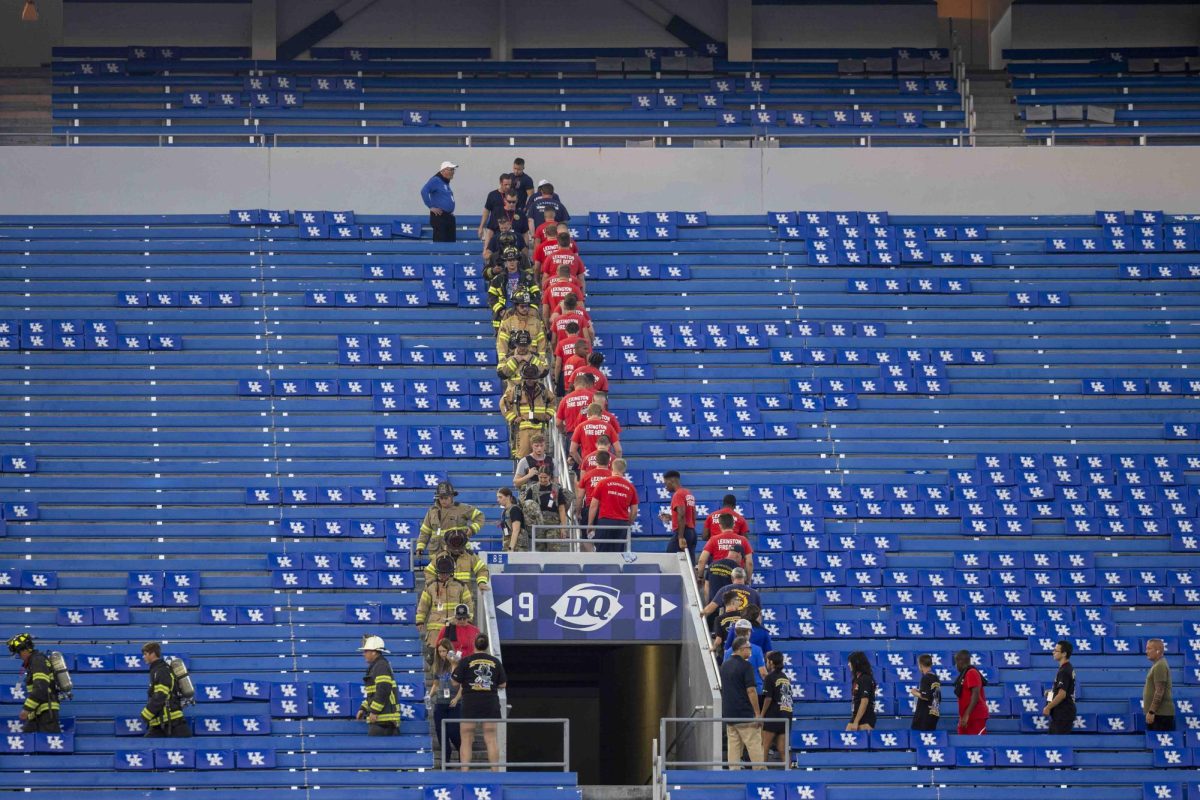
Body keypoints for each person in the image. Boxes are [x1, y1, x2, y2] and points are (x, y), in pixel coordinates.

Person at [452, 633, 508, 772]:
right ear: (487, 645)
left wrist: (453, 664)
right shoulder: (495, 662)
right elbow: (503, 684)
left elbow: (454, 682)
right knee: (490, 738)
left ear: (474, 644)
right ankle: (495, 773)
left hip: (470, 702)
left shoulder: (466, 661)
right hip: (490, 702)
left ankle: (465, 773)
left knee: (466, 739)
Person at [719, 636, 764, 770]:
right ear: (741, 649)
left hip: (729, 713)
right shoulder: (746, 666)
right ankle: (761, 773)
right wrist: (757, 713)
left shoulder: (724, 666)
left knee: (733, 745)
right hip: (745, 713)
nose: (750, 651)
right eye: (749, 648)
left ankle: (734, 775)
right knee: (754, 743)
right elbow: (751, 690)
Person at [416, 554, 475, 651]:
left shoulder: (460, 586)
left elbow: (468, 605)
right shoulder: (431, 586)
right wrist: (420, 621)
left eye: (446, 573)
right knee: (434, 658)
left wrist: (468, 621)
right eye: (441, 573)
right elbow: (423, 605)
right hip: (435, 630)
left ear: (451, 572)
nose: (443, 576)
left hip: (455, 628)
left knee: (454, 655)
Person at [7, 633, 61, 733]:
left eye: (19, 652)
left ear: (25, 649)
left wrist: (26, 709)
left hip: (46, 712)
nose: (19, 656)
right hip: (38, 712)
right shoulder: (33, 662)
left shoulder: (37, 660)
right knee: (26, 742)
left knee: (48, 745)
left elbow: (41, 687)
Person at [500, 363, 555, 460]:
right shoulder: (516, 390)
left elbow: (553, 402)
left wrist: (548, 414)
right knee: (523, 458)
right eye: (527, 378)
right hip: (523, 429)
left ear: (536, 377)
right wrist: (513, 418)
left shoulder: (543, 390)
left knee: (540, 458)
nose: (529, 380)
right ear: (523, 377)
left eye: (532, 378)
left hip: (539, 429)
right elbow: (503, 404)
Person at [416, 482, 485, 558]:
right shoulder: (432, 512)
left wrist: (472, 529)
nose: (443, 501)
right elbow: (425, 532)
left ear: (452, 497)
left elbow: (480, 516)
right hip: (436, 553)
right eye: (441, 498)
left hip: (458, 551)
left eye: (446, 498)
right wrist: (420, 547)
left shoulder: (462, 508)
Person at [587, 457, 638, 553]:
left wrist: (590, 524)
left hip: (605, 522)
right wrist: (628, 523)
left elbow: (593, 506)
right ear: (624, 470)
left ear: (611, 468)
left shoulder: (602, 483)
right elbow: (634, 511)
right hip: (622, 523)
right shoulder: (631, 487)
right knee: (618, 554)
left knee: (602, 553)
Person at [140, 642, 190, 737]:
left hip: (171, 722)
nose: (143, 657)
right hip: (163, 722)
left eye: (145, 654)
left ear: (153, 653)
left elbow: (160, 695)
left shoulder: (161, 670)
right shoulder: (158, 669)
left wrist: (146, 715)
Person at [356, 635, 399, 736]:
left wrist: (374, 711)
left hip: (384, 722)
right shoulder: (377, 666)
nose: (364, 654)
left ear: (374, 652)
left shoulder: (381, 666)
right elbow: (373, 694)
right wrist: (364, 708)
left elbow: (383, 690)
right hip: (382, 721)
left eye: (366, 651)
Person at [424, 528, 491, 591]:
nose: (457, 550)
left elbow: (481, 569)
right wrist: (434, 585)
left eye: (459, 547)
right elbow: (429, 571)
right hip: (444, 596)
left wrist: (481, 582)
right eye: (454, 548)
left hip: (465, 596)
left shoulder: (470, 556)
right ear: (448, 545)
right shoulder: (440, 556)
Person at [488, 249, 540, 329]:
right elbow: (491, 298)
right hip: (505, 313)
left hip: (524, 313)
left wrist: (532, 308)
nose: (511, 262)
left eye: (513, 260)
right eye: (509, 260)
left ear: (517, 261)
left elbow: (536, 293)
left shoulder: (527, 277)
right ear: (505, 262)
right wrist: (500, 310)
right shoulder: (497, 279)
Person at [428, 639, 462, 761]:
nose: (442, 654)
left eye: (444, 651)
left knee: (454, 731)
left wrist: (457, 698)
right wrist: (429, 696)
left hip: (454, 702)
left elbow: (461, 683)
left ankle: (461, 751)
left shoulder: (456, 662)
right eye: (440, 651)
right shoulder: (437, 665)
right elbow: (435, 684)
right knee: (440, 731)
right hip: (441, 701)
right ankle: (446, 757)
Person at [696, 514, 754, 579]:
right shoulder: (743, 540)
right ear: (733, 524)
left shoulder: (713, 539)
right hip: (736, 577)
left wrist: (700, 576)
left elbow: (702, 560)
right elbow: (749, 563)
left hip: (717, 575)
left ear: (720, 526)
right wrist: (748, 580)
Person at [760, 651, 792, 765]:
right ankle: (789, 774)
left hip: (774, 715)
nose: (766, 663)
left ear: (771, 662)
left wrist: (761, 714)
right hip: (786, 715)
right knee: (783, 749)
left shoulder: (769, 677)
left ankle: (762, 773)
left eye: (767, 661)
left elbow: (768, 698)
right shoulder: (785, 677)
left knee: (764, 746)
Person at [495, 292, 546, 359]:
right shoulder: (507, 324)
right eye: (522, 306)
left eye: (527, 306)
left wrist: (541, 361)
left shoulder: (536, 323)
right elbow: (502, 345)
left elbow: (542, 344)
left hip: (532, 363)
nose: (525, 309)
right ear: (516, 306)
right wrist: (503, 362)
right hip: (513, 362)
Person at [660, 470, 697, 555]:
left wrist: (680, 537)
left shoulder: (678, 494)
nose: (665, 487)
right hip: (692, 532)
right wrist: (671, 517)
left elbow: (682, 514)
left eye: (666, 483)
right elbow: (692, 514)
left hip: (683, 533)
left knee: (670, 557)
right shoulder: (688, 493)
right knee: (689, 562)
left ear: (671, 481)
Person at [1044, 640, 1076, 734]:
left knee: (1056, 742)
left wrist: (1048, 707)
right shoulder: (1066, 668)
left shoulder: (1064, 671)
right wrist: (1051, 692)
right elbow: (1063, 690)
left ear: (1064, 653)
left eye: (1056, 650)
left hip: (1063, 712)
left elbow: (1062, 694)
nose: (1053, 652)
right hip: (1062, 712)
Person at [420, 160, 457, 242]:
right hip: (440, 216)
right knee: (440, 242)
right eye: (451, 169)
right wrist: (431, 207)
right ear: (443, 171)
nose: (453, 172)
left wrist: (449, 211)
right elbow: (424, 191)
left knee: (451, 243)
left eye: (453, 170)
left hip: (447, 216)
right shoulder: (436, 180)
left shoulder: (445, 182)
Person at [953, 649, 988, 735]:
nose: (955, 665)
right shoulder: (965, 674)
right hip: (966, 715)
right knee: (962, 741)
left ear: (961, 661)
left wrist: (966, 714)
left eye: (956, 662)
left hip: (975, 715)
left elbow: (975, 694)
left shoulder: (971, 672)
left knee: (977, 744)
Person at [1144, 638, 1175, 731]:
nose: (1146, 651)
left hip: (1161, 715)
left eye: (1149, 649)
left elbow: (1160, 690)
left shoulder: (1160, 666)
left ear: (1158, 651)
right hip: (1159, 715)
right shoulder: (1157, 664)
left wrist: (1151, 711)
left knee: (1160, 745)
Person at [477, 172, 512, 252]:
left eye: (509, 184)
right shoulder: (492, 195)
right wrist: (481, 227)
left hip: (510, 228)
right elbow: (486, 211)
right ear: (500, 183)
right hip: (495, 228)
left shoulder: (513, 196)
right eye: (505, 184)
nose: (508, 187)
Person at [557, 371, 597, 436]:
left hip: (572, 434)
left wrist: (563, 431)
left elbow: (558, 423)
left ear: (574, 385)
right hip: (588, 434)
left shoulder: (565, 400)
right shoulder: (593, 397)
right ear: (586, 384)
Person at [909, 653, 941, 731]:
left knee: (918, 737)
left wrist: (914, 692)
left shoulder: (925, 678)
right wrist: (920, 691)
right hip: (934, 713)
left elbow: (926, 697)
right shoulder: (936, 677)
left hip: (924, 714)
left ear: (921, 665)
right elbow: (934, 694)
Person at [846, 651, 877, 732]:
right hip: (856, 716)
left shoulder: (865, 679)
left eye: (850, 662)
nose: (848, 664)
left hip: (865, 718)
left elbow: (864, 701)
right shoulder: (856, 679)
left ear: (856, 663)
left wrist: (856, 722)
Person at [497, 487, 527, 551]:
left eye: (500, 497)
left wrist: (511, 548)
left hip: (517, 546)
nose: (498, 500)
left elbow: (516, 530)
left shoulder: (514, 509)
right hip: (507, 544)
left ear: (508, 497)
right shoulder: (504, 512)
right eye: (498, 497)